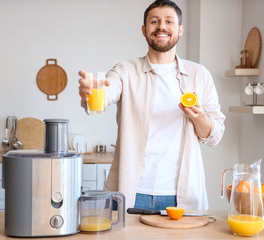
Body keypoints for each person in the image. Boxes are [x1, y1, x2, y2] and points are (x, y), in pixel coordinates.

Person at [78, 0, 225, 210]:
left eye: (169, 21)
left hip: (182, 196)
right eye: (154, 21)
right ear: (144, 30)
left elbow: (215, 136)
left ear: (180, 30)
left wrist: (199, 116)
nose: (161, 27)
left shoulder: (199, 75)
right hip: (132, 192)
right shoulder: (125, 71)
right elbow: (105, 94)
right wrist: (90, 92)